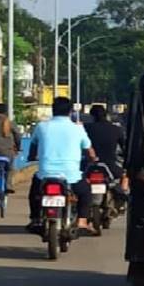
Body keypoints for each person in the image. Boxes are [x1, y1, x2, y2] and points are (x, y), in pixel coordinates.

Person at [26, 97, 98, 235]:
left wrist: (31, 157)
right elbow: (89, 149)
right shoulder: (78, 128)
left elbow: (34, 145)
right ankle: (82, 221)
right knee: (85, 193)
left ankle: (35, 218)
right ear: (70, 111)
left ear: (53, 110)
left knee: (34, 193)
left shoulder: (41, 126)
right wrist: (92, 158)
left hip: (45, 175)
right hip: (71, 176)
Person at [82, 104, 130, 201]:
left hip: (87, 165)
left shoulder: (86, 128)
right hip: (110, 166)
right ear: (106, 115)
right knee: (126, 175)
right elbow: (125, 147)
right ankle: (122, 196)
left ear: (92, 116)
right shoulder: (116, 129)